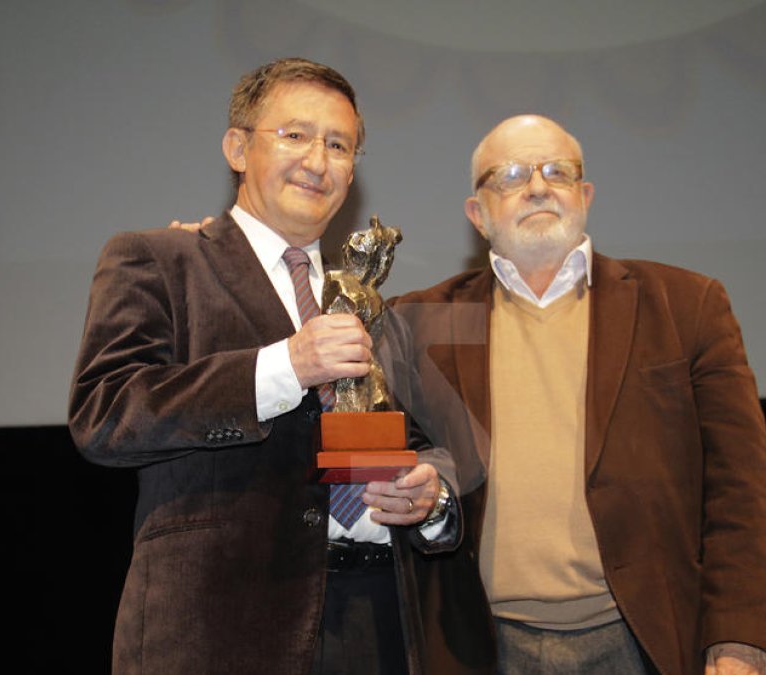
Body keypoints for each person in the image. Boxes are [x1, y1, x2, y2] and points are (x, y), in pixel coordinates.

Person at [69, 58, 494, 675]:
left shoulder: (371, 303)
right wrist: (284, 367)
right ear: (238, 147)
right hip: (220, 632)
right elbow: (105, 414)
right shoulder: (161, 260)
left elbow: (428, 446)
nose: (318, 161)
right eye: (295, 135)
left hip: (374, 629)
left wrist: (430, 496)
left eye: (339, 144)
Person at [387, 115, 766, 675]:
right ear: (477, 214)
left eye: (557, 171)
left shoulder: (685, 305)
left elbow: (746, 492)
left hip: (645, 641)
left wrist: (742, 643)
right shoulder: (417, 323)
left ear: (584, 194)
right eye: (509, 175)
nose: (536, 186)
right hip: (479, 646)